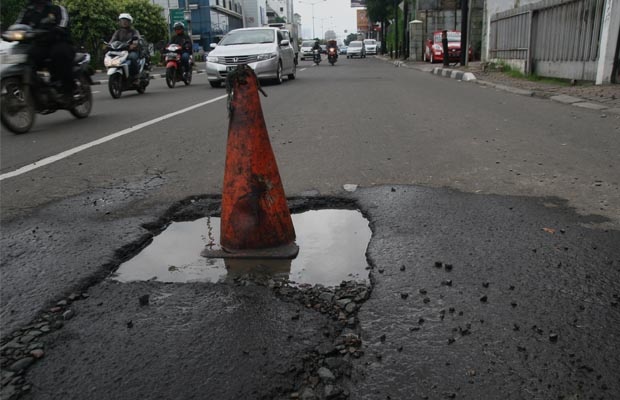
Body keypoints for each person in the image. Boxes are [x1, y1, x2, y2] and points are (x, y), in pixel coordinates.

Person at [15, 0, 75, 103]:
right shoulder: (28, 11)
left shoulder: (57, 9)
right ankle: (38, 88)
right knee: (28, 58)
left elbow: (63, 22)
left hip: (59, 42)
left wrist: (58, 28)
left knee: (59, 54)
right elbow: (17, 25)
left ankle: (68, 91)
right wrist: (10, 33)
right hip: (41, 45)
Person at [109, 13, 141, 84]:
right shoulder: (117, 32)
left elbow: (136, 39)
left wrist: (134, 44)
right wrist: (108, 46)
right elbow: (112, 41)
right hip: (120, 52)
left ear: (130, 22)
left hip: (131, 51)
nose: (124, 22)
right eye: (122, 20)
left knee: (132, 57)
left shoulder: (134, 31)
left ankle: (136, 76)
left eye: (126, 20)